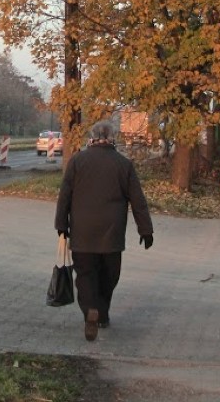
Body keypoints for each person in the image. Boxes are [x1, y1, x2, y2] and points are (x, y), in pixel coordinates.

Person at [54, 119, 154, 341]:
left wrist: (61, 225)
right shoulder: (123, 164)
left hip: (82, 231)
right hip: (112, 233)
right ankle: (102, 313)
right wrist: (145, 230)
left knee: (86, 274)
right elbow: (138, 201)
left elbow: (65, 197)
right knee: (110, 275)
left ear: (92, 137)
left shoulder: (77, 161)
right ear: (112, 138)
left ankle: (91, 309)